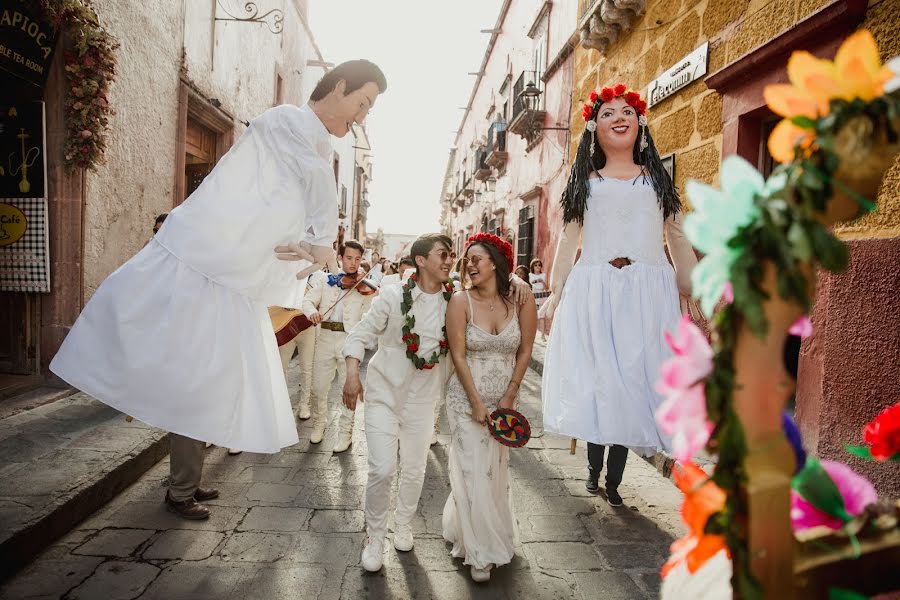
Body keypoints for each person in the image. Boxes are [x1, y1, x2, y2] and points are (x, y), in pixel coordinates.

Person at [50, 60, 387, 519]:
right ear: (340, 86)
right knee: (191, 376)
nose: (362, 117)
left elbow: (299, 191)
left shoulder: (309, 139)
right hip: (205, 268)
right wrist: (322, 241)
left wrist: (314, 243)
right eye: (363, 103)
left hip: (227, 277)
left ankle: (185, 484)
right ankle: (180, 487)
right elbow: (314, 179)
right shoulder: (288, 121)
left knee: (209, 381)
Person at [540, 84, 696, 507]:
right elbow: (569, 240)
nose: (619, 118)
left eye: (626, 111)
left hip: (648, 293)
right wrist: (556, 291)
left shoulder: (656, 180)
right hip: (596, 290)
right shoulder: (585, 184)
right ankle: (594, 471)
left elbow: (676, 232)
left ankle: (614, 481)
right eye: (608, 113)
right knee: (602, 384)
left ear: (640, 123)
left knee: (631, 384)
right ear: (595, 128)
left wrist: (688, 282)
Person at [342, 234, 533, 573]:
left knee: (415, 470)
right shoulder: (391, 296)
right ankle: (374, 537)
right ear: (420, 261)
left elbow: (492, 287)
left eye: (451, 255)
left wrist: (516, 279)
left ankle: (402, 525)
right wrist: (352, 373)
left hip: (422, 402)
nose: (450, 261)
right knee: (382, 469)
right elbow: (359, 334)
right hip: (383, 397)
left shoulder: (453, 300)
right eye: (443, 255)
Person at [442, 234, 537, 582]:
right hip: (466, 399)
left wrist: (510, 394)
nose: (469, 264)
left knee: (493, 470)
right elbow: (458, 354)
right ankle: (480, 554)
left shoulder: (520, 300)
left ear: (495, 262)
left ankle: (479, 529)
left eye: (477, 258)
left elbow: (526, 349)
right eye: (467, 259)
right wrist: (476, 402)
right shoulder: (459, 302)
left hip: (504, 401)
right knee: (471, 469)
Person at [302, 240, 375, 452]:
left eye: (358, 259)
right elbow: (307, 302)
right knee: (318, 387)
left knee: (348, 390)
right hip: (324, 336)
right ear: (340, 258)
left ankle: (345, 434)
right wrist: (312, 313)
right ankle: (319, 425)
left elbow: (369, 317)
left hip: (349, 340)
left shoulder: (364, 286)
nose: (353, 264)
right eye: (349, 258)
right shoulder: (326, 281)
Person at [278, 268, 328, 420]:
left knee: (307, 368)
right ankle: (281, 406)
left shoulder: (321, 276)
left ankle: (304, 405)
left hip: (307, 327)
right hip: (286, 325)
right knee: (282, 367)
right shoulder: (285, 272)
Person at [529, 258, 550, 339]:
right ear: (532, 266)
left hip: (541, 297)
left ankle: (542, 335)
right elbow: (530, 285)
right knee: (533, 315)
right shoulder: (530, 275)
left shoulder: (543, 275)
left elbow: (546, 288)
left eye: (539, 265)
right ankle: (531, 334)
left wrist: (542, 281)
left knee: (542, 316)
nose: (538, 267)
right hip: (534, 296)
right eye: (536, 265)